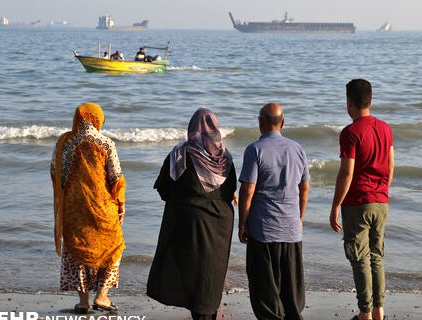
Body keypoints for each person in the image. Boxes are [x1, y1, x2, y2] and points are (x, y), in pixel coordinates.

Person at [147, 108, 237, 320]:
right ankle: (208, 310)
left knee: (190, 268)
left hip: (188, 220)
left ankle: (199, 311)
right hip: (220, 223)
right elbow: (230, 187)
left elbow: (164, 187)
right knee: (211, 271)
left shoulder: (180, 153)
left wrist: (182, 200)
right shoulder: (226, 157)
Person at [50, 103, 126, 314]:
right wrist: (121, 205)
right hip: (103, 208)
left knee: (77, 251)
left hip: (74, 209)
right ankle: (102, 296)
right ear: (97, 119)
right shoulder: (106, 143)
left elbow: (57, 174)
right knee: (113, 248)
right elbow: (116, 178)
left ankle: (83, 301)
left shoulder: (64, 143)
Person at [329, 79, 394, 320]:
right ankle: (379, 311)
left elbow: (347, 172)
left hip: (358, 201)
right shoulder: (385, 128)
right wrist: (383, 190)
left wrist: (335, 205)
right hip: (381, 200)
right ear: (370, 100)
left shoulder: (351, 132)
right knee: (377, 256)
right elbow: (390, 164)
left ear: (349, 103)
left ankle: (365, 313)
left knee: (359, 258)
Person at [238, 103, 310, 320]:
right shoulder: (298, 149)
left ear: (260, 123)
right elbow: (304, 188)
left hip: (263, 232)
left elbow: (247, 191)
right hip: (291, 231)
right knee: (291, 295)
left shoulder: (255, 149)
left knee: (265, 296)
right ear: (283, 123)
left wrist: (242, 224)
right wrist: (299, 218)